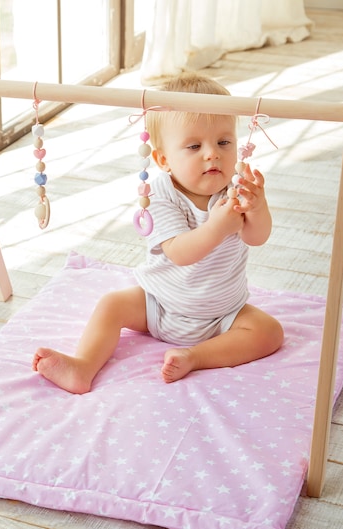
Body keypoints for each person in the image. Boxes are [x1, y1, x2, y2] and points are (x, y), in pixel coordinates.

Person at [33, 73, 284, 394]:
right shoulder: (159, 194)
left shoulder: (236, 190)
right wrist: (217, 227)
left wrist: (258, 207)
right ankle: (83, 366)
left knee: (269, 332)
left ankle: (195, 357)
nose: (212, 154)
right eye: (194, 146)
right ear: (164, 159)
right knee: (111, 305)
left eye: (224, 142)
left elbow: (256, 237)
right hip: (158, 304)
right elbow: (180, 252)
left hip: (223, 315)